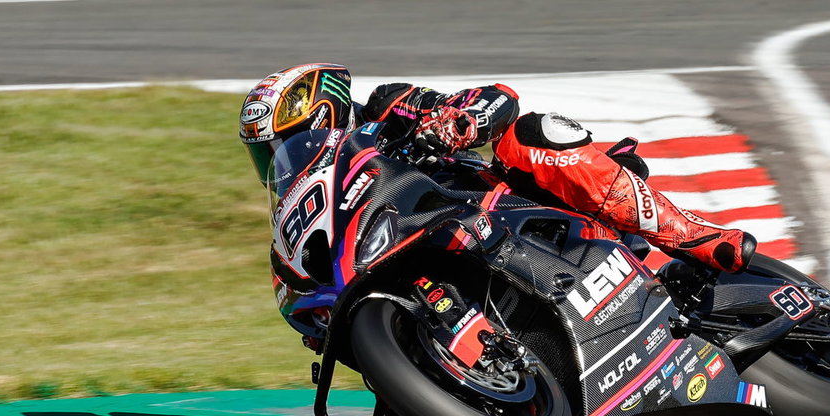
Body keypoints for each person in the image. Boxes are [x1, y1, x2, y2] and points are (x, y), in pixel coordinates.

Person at [240, 62, 755, 273]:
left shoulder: (386, 106)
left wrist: (455, 120)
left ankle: (694, 236)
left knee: (533, 133)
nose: (279, 161)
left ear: (320, 112)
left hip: (496, 205)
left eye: (280, 143)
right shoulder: (314, 201)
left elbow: (496, 99)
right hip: (424, 247)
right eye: (267, 155)